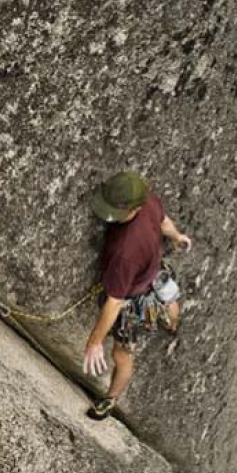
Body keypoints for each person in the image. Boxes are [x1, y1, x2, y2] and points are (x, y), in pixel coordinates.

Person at [82, 171, 192, 419]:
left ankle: (110, 399)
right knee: (169, 297)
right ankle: (172, 323)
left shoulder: (126, 252)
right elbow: (163, 221)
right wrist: (176, 235)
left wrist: (94, 341)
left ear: (134, 207)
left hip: (134, 297)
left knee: (121, 355)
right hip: (153, 269)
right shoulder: (148, 199)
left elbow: (115, 302)